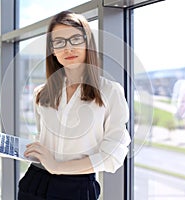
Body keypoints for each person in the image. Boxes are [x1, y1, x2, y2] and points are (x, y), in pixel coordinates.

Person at [18, 10, 131, 200]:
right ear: (52, 50)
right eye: (59, 42)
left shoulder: (111, 92)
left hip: (77, 187)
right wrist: (0, 146)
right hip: (34, 182)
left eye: (75, 39)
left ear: (88, 43)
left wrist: (58, 167)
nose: (68, 48)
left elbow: (113, 156)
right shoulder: (41, 93)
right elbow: (44, 143)